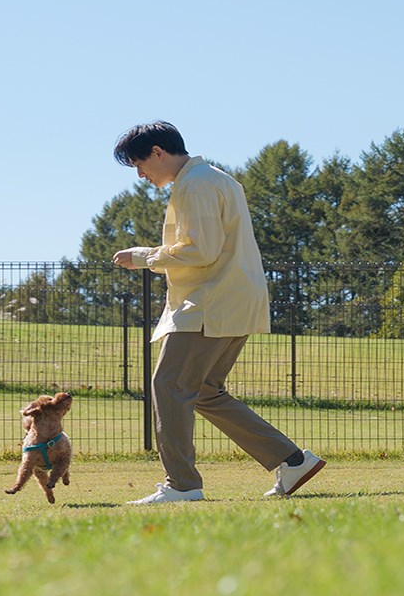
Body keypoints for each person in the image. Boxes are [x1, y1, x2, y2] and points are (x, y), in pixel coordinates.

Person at [112, 121, 325, 504]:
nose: (141, 174)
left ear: (158, 152)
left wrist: (145, 257)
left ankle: (182, 485)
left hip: (210, 302)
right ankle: (292, 461)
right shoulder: (215, 179)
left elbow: (201, 251)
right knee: (205, 391)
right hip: (232, 299)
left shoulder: (195, 184)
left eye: (140, 164)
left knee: (169, 386)